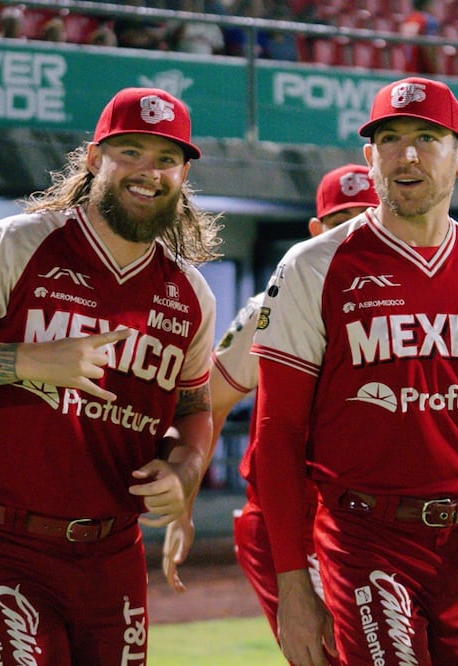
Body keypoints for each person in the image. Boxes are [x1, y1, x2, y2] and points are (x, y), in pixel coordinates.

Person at [252, 76, 458, 666]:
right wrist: (293, 586)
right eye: (389, 138)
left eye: (427, 137)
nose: (407, 155)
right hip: (367, 536)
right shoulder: (315, 266)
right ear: (370, 158)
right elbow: (278, 433)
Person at [0, 86, 219, 664]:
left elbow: (192, 407)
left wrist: (186, 468)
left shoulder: (191, 294)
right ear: (93, 158)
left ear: (182, 175)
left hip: (113, 557)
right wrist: (30, 361)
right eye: (129, 151)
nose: (148, 172)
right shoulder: (18, 245)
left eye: (166, 160)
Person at [160, 164, 379, 644]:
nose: (357, 230)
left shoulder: (400, 306)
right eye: (343, 220)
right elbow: (207, 402)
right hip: (291, 524)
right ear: (316, 230)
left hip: (365, 522)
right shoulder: (271, 305)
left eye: (369, 216)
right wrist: (184, 507)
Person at [400, 0, 440, 75]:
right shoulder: (429, 20)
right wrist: (436, 70)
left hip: (409, 71)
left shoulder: (408, 20)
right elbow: (430, 48)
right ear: (426, 4)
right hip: (424, 71)